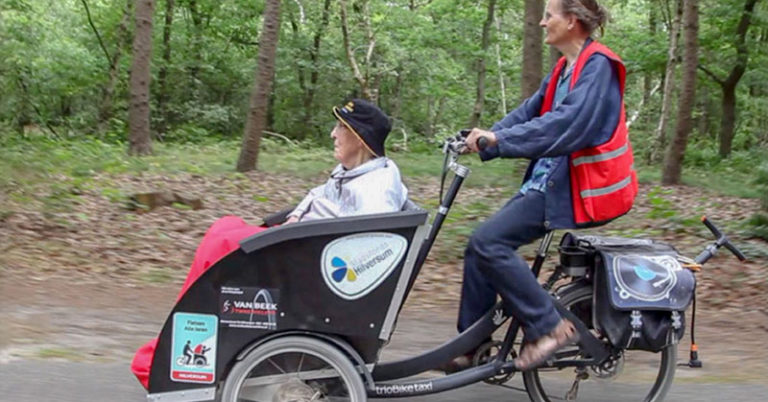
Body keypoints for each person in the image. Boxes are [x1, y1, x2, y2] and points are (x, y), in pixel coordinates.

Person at [131, 99, 408, 389]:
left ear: (361, 138)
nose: (333, 134)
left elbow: (364, 247)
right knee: (224, 226)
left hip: (308, 264)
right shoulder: (358, 172)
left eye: (341, 127)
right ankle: (180, 336)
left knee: (221, 243)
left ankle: (177, 345)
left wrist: (291, 235)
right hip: (300, 247)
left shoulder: (375, 189)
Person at [452, 0, 637, 371]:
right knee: (479, 247)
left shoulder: (597, 65)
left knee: (490, 242)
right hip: (548, 181)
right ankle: (472, 342)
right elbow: (530, 112)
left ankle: (549, 326)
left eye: (549, 15)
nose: (541, 22)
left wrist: (499, 141)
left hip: (576, 188)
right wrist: (482, 136)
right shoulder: (563, 69)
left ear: (571, 21)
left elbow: (566, 124)